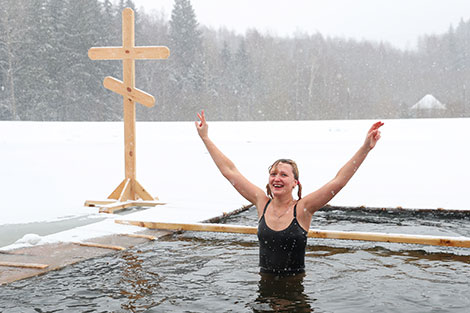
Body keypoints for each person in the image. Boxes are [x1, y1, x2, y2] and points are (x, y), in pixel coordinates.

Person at [195, 110, 384, 275]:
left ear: (295, 183)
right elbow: (230, 171)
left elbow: (339, 181)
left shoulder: (303, 209)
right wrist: (205, 138)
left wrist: (365, 148)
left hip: (294, 290)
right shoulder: (262, 202)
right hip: (265, 287)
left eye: (283, 175)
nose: (277, 178)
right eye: (273, 174)